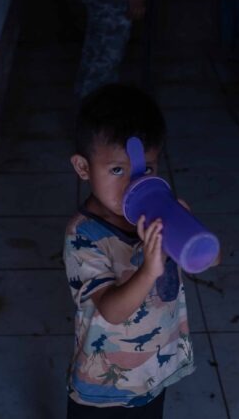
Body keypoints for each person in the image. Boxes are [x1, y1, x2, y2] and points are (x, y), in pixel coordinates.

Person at [64, 84, 210, 417]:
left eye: (147, 169)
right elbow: (111, 311)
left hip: (151, 375)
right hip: (103, 388)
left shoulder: (161, 215)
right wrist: (148, 271)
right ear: (83, 167)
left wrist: (190, 229)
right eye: (117, 170)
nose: (133, 183)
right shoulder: (83, 235)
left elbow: (209, 256)